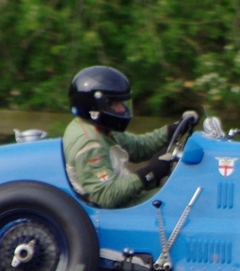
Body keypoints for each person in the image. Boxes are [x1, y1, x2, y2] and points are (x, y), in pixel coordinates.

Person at [62, 66, 197, 208]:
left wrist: (173, 130)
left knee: (181, 185)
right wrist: (149, 173)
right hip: (117, 210)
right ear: (93, 106)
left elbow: (138, 147)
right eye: (116, 104)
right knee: (185, 196)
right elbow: (105, 196)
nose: (123, 109)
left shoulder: (99, 128)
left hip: (124, 199)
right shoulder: (89, 143)